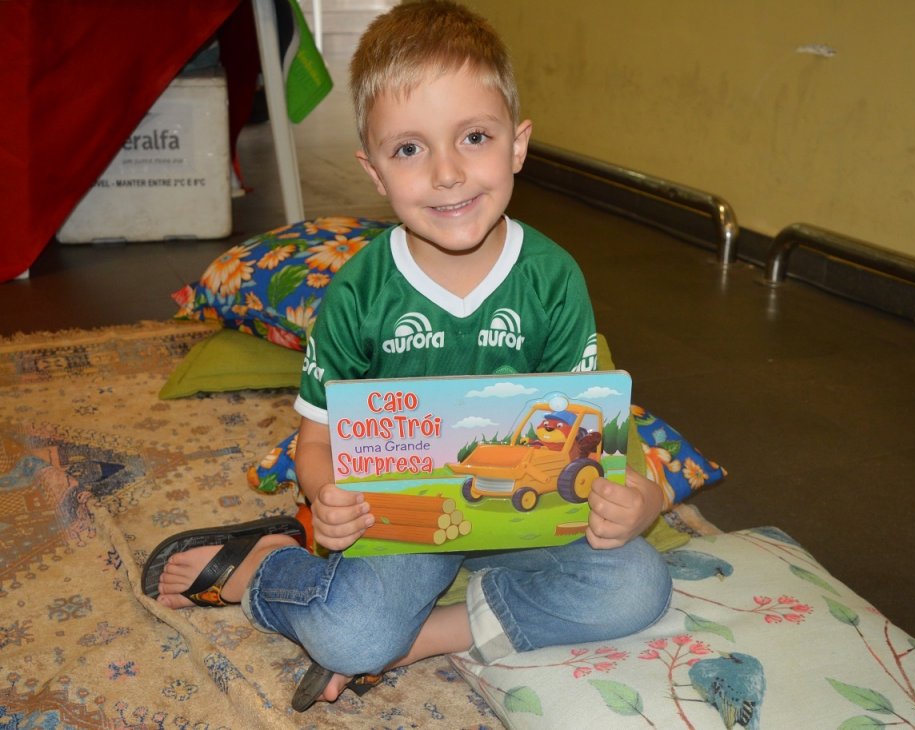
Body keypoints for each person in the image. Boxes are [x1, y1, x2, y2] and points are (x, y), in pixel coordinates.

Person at [145, 0, 672, 711]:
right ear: (373, 170)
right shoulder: (361, 290)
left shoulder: (553, 278)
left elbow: (590, 434)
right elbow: (317, 439)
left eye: (475, 137)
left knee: (639, 585)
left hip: (529, 514)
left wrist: (638, 499)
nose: (448, 174)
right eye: (410, 149)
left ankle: (430, 635)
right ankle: (269, 570)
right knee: (351, 635)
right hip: (404, 528)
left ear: (517, 145)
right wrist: (325, 497)